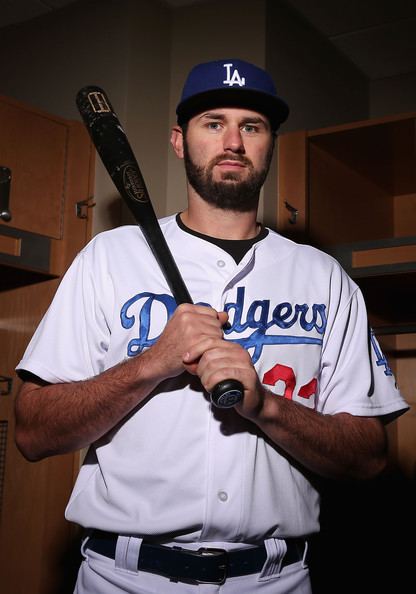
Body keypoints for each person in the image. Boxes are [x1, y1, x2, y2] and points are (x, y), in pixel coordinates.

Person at [15, 59, 408, 594]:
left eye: (252, 126)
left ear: (270, 143)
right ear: (179, 141)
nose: (233, 142)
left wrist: (264, 406)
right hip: (122, 579)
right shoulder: (109, 257)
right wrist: (152, 362)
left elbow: (369, 457)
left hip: (276, 581)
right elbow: (33, 431)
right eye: (213, 122)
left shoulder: (324, 277)